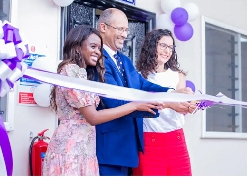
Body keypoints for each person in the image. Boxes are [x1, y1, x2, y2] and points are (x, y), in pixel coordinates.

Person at [42, 25, 163, 176]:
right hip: (71, 150)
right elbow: (93, 117)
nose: (97, 52)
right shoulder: (72, 70)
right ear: (78, 47)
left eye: (99, 48)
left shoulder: (81, 73)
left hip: (85, 148)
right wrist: (134, 105)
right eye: (93, 46)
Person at [95, 8, 194, 176]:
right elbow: (114, 101)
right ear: (103, 27)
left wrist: (174, 93)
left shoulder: (124, 60)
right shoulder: (97, 59)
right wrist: (168, 102)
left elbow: (143, 85)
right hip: (111, 148)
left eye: (126, 30)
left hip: (129, 149)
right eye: (120, 29)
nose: (125, 35)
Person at [132, 29, 194, 176]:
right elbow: (139, 107)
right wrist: (169, 103)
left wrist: (191, 106)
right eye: (163, 46)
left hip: (176, 140)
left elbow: (181, 107)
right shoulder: (138, 77)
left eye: (171, 47)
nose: (167, 51)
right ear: (152, 46)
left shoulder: (178, 76)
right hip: (149, 141)